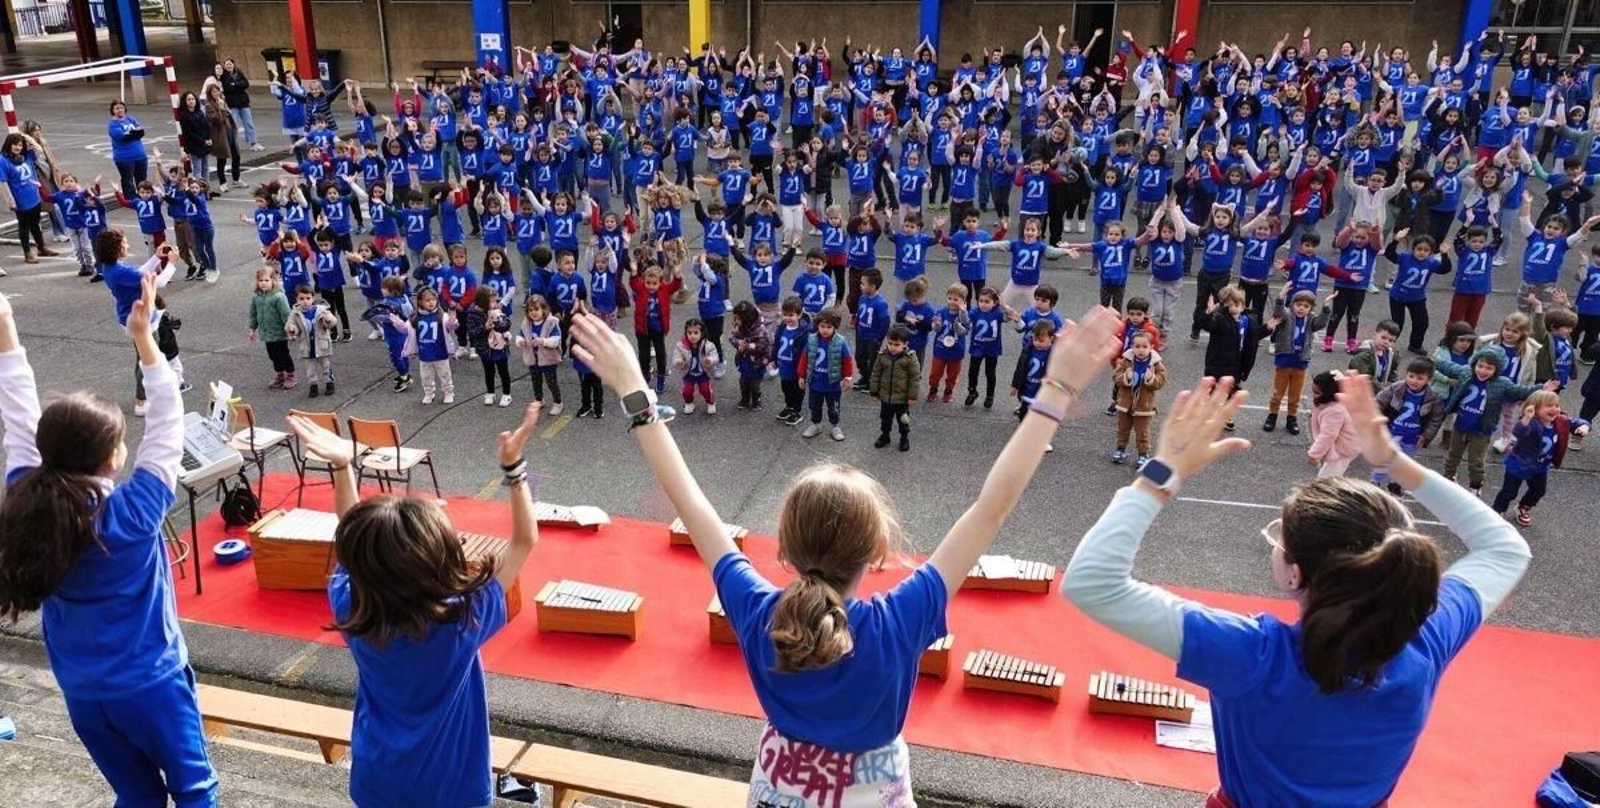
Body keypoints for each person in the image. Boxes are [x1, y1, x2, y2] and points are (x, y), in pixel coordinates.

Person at [568, 302, 1119, 805]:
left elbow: (688, 499)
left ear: (783, 549)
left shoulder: (761, 613)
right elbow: (990, 509)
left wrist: (635, 390)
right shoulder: (896, 622)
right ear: (879, 552)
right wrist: (1056, 389)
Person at [1064, 374, 1532, 808]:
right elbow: (1505, 549)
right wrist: (1392, 461)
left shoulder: (1253, 655)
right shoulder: (1425, 641)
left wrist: (1161, 472)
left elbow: (1092, 583)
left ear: (1295, 575)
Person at [0, 276, 220, 807]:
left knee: (138, 796)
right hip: (153, 686)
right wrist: (144, 337)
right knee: (196, 792)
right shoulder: (133, 512)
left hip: (82, 692)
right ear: (111, 457)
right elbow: (168, 418)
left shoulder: (27, 498)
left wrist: (5, 328)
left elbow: (18, 414)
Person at [283, 403, 542, 808]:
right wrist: (514, 469)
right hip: (454, 792)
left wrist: (341, 466)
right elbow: (525, 540)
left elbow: (357, 543)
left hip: (377, 783)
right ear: (436, 559)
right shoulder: (460, 622)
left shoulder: (354, 607)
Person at [96, 228, 175, 416]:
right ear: (116, 248)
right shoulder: (121, 271)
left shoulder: (111, 268)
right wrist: (171, 264)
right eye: (124, 243)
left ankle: (144, 395)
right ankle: (141, 400)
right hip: (142, 320)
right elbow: (157, 282)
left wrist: (156, 258)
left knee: (142, 356)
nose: (128, 245)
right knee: (147, 358)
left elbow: (139, 274)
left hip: (129, 316)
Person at [1491, 390, 1590, 526]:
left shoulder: (1559, 421)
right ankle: (1497, 511)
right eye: (1549, 406)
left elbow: (1575, 421)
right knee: (1509, 492)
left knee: (1538, 490)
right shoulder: (1532, 423)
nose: (1554, 409)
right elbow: (1519, 432)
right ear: (1534, 409)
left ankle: (1523, 507)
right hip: (1519, 464)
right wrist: (1526, 418)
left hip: (1540, 466)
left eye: (1556, 405)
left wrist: (1584, 425)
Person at [1111, 330, 1166, 467]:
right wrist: (1126, 377)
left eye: (1144, 346)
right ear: (1132, 347)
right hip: (1125, 403)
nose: (1140, 350)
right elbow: (1115, 377)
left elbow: (1162, 380)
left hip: (1144, 405)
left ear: (1151, 347)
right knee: (1123, 428)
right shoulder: (1126, 361)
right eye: (1137, 346)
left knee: (1142, 431)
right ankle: (1120, 449)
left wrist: (1151, 379)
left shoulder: (1156, 364)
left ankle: (1143, 454)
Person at [0, 133, 57, 265]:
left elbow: (39, 150)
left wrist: (26, 137)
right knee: (24, 227)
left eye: (20, 145)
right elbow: (3, 183)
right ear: (8, 144)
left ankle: (41, 248)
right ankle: (27, 253)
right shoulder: (3, 160)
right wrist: (10, 201)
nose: (18, 147)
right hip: (20, 199)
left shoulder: (26, 156)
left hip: (34, 195)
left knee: (36, 224)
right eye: (15, 144)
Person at [869, 324, 922, 452]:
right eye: (890, 343)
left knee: (903, 420)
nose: (893, 347)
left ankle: (904, 438)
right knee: (885, 419)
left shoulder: (910, 359)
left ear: (905, 344)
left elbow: (914, 378)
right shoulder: (882, 356)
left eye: (897, 344)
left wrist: (912, 396)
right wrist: (874, 392)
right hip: (886, 397)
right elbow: (876, 374)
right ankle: (885, 435)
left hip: (901, 399)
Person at [283, 284, 339, 399]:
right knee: (310, 369)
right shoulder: (295, 314)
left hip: (321, 344)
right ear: (297, 300)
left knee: (326, 366)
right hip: (306, 346)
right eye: (301, 299)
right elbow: (290, 325)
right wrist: (292, 329)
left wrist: (328, 321)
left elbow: (332, 323)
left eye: (308, 298)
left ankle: (329, 383)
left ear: (313, 298)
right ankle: (313, 386)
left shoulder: (321, 311)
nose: (305, 302)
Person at [247, 266, 296, 389]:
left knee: (283, 354)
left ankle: (290, 374)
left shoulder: (278, 296)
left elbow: (286, 314)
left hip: (279, 333)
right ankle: (280, 374)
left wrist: (291, 330)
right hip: (266, 334)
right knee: (272, 355)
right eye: (261, 281)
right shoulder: (256, 296)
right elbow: (253, 313)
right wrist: (252, 329)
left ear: (273, 280)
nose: (263, 283)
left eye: (266, 280)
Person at [1306, 370, 1359, 478]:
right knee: (1330, 475)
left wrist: (1314, 454)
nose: (1313, 394)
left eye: (1316, 391)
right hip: (1342, 444)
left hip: (1342, 450)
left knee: (1325, 480)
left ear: (1327, 393)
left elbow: (1327, 435)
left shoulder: (1334, 411)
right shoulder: (1330, 402)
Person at [107, 100, 148, 200]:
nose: (120, 110)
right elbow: (121, 137)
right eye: (117, 108)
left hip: (140, 155)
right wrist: (134, 133)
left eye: (121, 107)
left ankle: (143, 196)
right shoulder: (113, 125)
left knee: (141, 179)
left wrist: (132, 134)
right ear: (113, 111)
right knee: (128, 180)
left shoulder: (131, 119)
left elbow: (141, 132)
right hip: (124, 158)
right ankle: (130, 200)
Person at [218, 58, 262, 152]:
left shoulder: (239, 72)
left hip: (243, 102)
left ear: (233, 64)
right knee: (233, 125)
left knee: (249, 123)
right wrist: (237, 85)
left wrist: (235, 84)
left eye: (230, 64)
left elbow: (246, 84)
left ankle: (253, 142)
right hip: (232, 104)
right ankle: (233, 145)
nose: (229, 66)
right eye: (227, 65)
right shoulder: (224, 76)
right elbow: (227, 87)